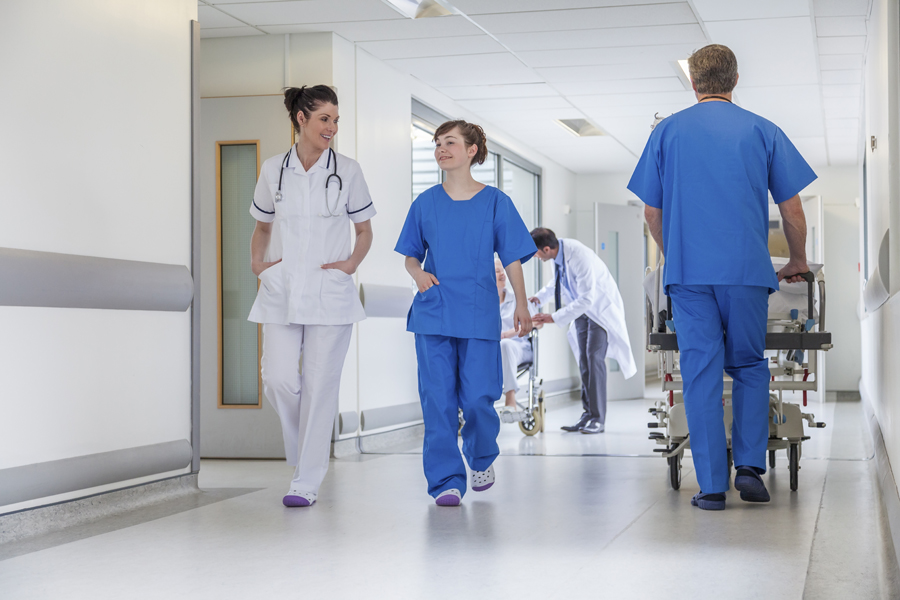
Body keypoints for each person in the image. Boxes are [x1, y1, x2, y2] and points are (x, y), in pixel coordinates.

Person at [627, 44, 815, 511]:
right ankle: (750, 466)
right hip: (747, 273)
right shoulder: (763, 130)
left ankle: (712, 487)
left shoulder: (666, 132)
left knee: (701, 373)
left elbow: (652, 213)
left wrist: (678, 256)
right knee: (750, 366)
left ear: (693, 83)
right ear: (734, 81)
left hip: (690, 277)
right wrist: (797, 259)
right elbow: (791, 210)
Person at [395, 120, 536, 507]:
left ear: (472, 150)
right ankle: (445, 481)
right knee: (437, 400)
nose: (441, 149)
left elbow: (512, 258)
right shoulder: (425, 202)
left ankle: (480, 457)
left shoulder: (495, 202)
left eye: (450, 142)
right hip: (434, 312)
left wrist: (521, 303)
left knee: (477, 397)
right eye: (437, 143)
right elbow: (409, 253)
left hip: (477, 312)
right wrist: (418, 272)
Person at [248, 85, 376, 508]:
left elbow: (364, 229)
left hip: (330, 291)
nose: (332, 127)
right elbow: (263, 225)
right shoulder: (273, 169)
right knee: (279, 379)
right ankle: (306, 451)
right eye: (325, 119)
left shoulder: (349, 170)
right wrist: (257, 263)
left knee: (321, 387)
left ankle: (305, 481)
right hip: (282, 288)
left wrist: (352, 264)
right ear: (301, 119)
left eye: (336, 120)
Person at [530, 228, 636, 434]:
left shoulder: (578, 255)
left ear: (546, 249)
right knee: (584, 362)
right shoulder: (557, 256)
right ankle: (587, 414)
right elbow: (558, 283)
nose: (535, 257)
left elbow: (588, 298)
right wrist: (540, 298)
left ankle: (598, 419)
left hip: (598, 311)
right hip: (580, 312)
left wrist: (553, 317)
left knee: (594, 358)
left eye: (536, 253)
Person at [495, 257, 540, 422]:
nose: (502, 274)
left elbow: (536, 322)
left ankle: (510, 400)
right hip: (491, 352)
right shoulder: (483, 303)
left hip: (518, 348)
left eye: (502, 270)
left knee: (505, 344)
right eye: (496, 271)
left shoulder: (517, 299)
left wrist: (509, 333)